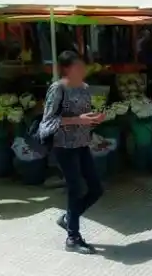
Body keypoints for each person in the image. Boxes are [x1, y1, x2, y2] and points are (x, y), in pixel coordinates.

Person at [40, 51, 105, 254]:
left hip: (82, 143)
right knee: (75, 189)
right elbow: (48, 121)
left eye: (83, 66)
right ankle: (72, 238)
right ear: (67, 69)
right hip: (63, 146)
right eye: (78, 67)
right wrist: (79, 120)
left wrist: (95, 118)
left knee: (96, 189)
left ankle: (69, 218)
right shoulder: (57, 88)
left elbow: (83, 115)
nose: (83, 70)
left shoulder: (85, 88)